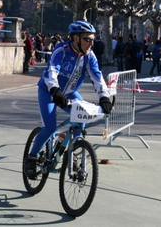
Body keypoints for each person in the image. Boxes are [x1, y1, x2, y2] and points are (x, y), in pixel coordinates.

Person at [23, 20, 112, 179]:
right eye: (87, 39)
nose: (91, 43)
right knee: (50, 128)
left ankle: (74, 152)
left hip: (70, 93)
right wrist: (55, 90)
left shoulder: (89, 56)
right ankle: (32, 158)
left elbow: (97, 77)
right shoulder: (62, 50)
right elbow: (52, 70)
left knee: (81, 118)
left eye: (93, 39)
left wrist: (104, 96)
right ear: (75, 38)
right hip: (49, 91)